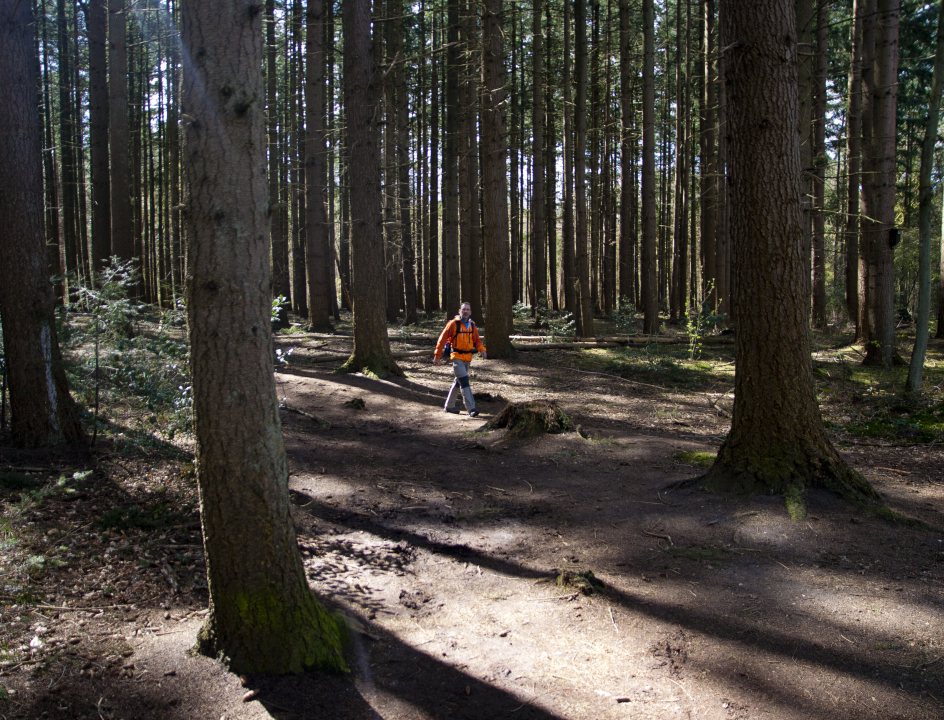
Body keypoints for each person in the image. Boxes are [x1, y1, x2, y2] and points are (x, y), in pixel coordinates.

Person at [433, 302, 487, 416]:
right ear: (459, 311)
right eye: (464, 309)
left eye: (468, 309)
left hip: (468, 358)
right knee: (464, 381)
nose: (465, 311)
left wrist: (482, 350)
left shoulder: (472, 325)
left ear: (470, 312)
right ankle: (471, 408)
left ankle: (449, 406)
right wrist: (437, 355)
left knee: (458, 382)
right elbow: (442, 339)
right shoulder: (452, 324)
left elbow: (477, 340)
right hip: (456, 356)